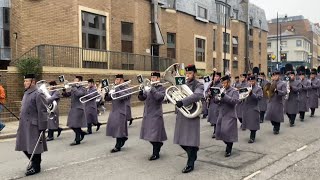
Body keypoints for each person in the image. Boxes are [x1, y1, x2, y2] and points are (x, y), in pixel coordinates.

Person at [15, 74, 48, 176]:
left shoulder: (38, 94)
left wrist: (43, 126)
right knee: (23, 145)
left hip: (34, 125)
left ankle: (36, 166)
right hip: (24, 124)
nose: (25, 83)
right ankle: (35, 161)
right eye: (24, 81)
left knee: (34, 146)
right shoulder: (26, 93)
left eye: (27, 81)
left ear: (33, 82)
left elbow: (42, 111)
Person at [174, 64, 204, 173]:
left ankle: (190, 163)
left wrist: (183, 101)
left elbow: (197, 95)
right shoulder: (183, 83)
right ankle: (194, 151)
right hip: (182, 114)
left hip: (192, 115)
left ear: (194, 74)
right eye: (186, 73)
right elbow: (176, 93)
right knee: (180, 140)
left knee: (190, 141)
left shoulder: (199, 84)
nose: (188, 75)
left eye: (190, 73)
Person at [138, 72, 167, 161]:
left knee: (153, 135)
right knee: (147, 134)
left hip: (156, 114)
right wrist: (141, 93)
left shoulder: (161, 88)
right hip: (147, 113)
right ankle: (158, 144)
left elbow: (159, 97)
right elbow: (143, 98)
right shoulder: (148, 88)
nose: (152, 79)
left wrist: (152, 88)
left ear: (158, 79)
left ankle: (156, 153)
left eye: (154, 77)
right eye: (151, 77)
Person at [214, 75, 240, 157]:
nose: (224, 85)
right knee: (218, 132)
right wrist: (215, 97)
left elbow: (234, 101)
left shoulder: (234, 91)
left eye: (225, 83)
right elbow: (216, 101)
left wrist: (224, 96)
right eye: (223, 83)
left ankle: (229, 147)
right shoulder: (222, 90)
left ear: (229, 82)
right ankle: (228, 142)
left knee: (226, 131)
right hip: (221, 114)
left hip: (230, 114)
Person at [105, 74, 130, 153]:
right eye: (116, 80)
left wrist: (117, 88)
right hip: (114, 111)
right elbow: (107, 99)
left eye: (118, 80)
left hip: (121, 111)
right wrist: (107, 92)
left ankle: (117, 146)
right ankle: (123, 138)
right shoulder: (114, 88)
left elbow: (123, 97)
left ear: (122, 80)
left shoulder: (127, 88)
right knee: (114, 127)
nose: (116, 81)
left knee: (118, 129)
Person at [62, 76, 87, 145]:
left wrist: (73, 87)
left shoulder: (83, 88)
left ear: (80, 81)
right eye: (74, 80)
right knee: (70, 124)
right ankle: (81, 133)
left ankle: (77, 140)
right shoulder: (74, 88)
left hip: (79, 108)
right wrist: (64, 89)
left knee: (76, 124)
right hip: (73, 108)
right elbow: (67, 95)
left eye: (76, 80)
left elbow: (79, 94)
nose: (74, 81)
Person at [242, 76, 263, 143]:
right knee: (247, 122)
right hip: (246, 107)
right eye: (250, 81)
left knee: (253, 123)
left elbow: (259, 97)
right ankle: (251, 133)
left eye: (252, 81)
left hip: (254, 107)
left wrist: (252, 94)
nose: (251, 82)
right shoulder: (246, 87)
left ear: (255, 81)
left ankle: (252, 137)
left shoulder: (258, 88)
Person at [206, 72, 222, 138]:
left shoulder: (221, 85)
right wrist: (208, 94)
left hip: (218, 103)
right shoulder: (211, 84)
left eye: (217, 76)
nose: (215, 78)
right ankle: (217, 130)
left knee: (217, 117)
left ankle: (215, 131)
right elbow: (206, 91)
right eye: (215, 76)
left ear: (220, 77)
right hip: (212, 102)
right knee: (213, 117)